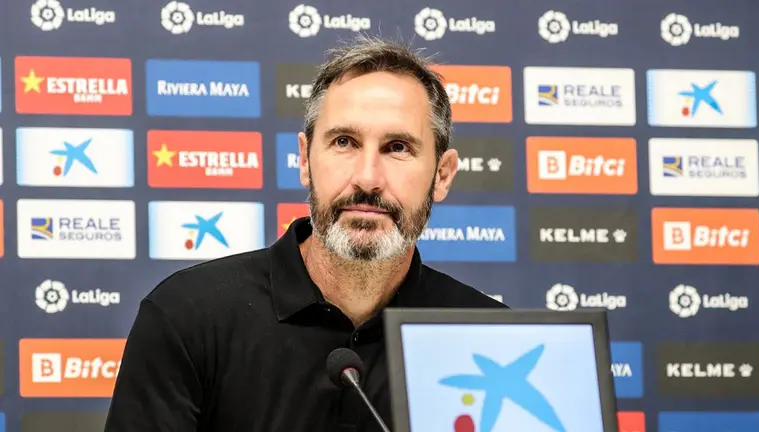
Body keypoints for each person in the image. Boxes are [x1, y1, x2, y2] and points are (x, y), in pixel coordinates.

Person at [104, 35, 508, 431]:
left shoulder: (492, 342)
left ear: (442, 174)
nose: (367, 179)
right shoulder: (187, 316)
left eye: (398, 147)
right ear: (304, 160)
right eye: (344, 142)